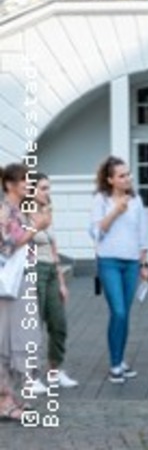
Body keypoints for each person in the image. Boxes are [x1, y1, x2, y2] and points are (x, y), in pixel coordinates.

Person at [90, 156, 148, 384]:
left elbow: (142, 235)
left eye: (128, 174)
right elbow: (96, 232)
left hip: (132, 263)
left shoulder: (136, 200)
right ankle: (115, 366)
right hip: (109, 262)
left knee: (125, 314)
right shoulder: (101, 200)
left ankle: (120, 358)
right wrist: (116, 211)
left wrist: (144, 264)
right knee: (119, 312)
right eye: (122, 175)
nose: (127, 178)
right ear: (110, 180)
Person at [0, 164, 50, 421]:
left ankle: (9, 396)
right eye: (23, 181)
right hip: (8, 285)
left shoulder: (18, 210)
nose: (27, 185)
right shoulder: (4, 210)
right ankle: (4, 400)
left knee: (19, 337)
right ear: (9, 184)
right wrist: (35, 228)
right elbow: (6, 247)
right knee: (7, 339)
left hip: (20, 281)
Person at [29, 173, 78, 389]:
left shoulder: (48, 213)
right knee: (33, 326)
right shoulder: (25, 214)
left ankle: (54, 370)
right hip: (33, 269)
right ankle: (29, 376)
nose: (47, 193)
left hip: (50, 271)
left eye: (49, 188)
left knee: (59, 324)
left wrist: (61, 281)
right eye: (43, 188)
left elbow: (54, 247)